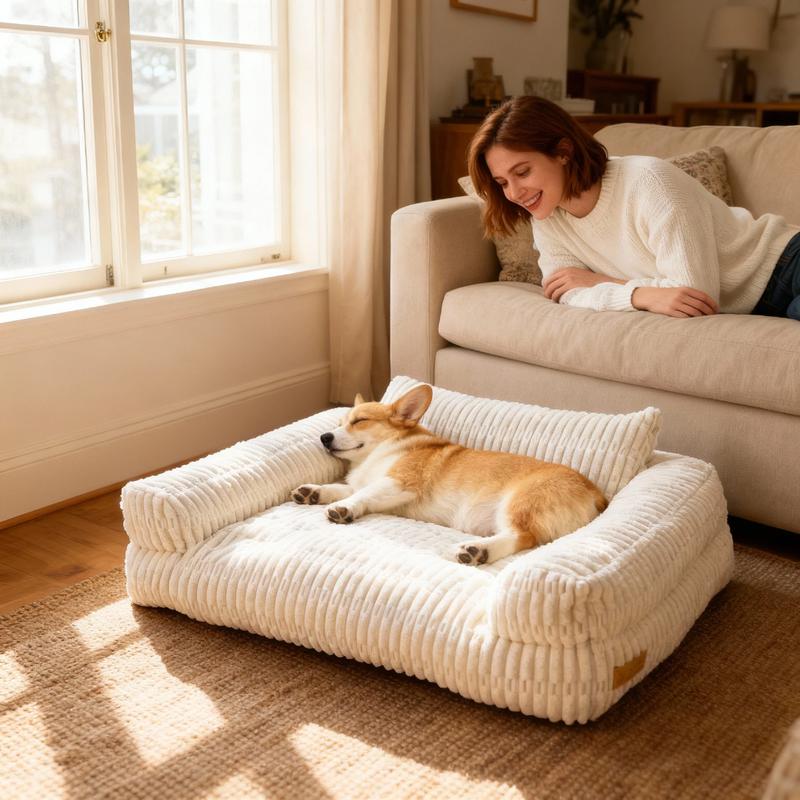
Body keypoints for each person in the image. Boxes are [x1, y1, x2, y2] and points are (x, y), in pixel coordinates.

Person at [467, 95, 800, 320]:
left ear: (563, 152)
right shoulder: (547, 214)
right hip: (753, 305)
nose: (514, 193)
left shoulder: (649, 181)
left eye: (522, 172)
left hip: (786, 266)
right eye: (502, 182)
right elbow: (565, 293)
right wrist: (640, 296)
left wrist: (600, 282)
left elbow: (694, 295)